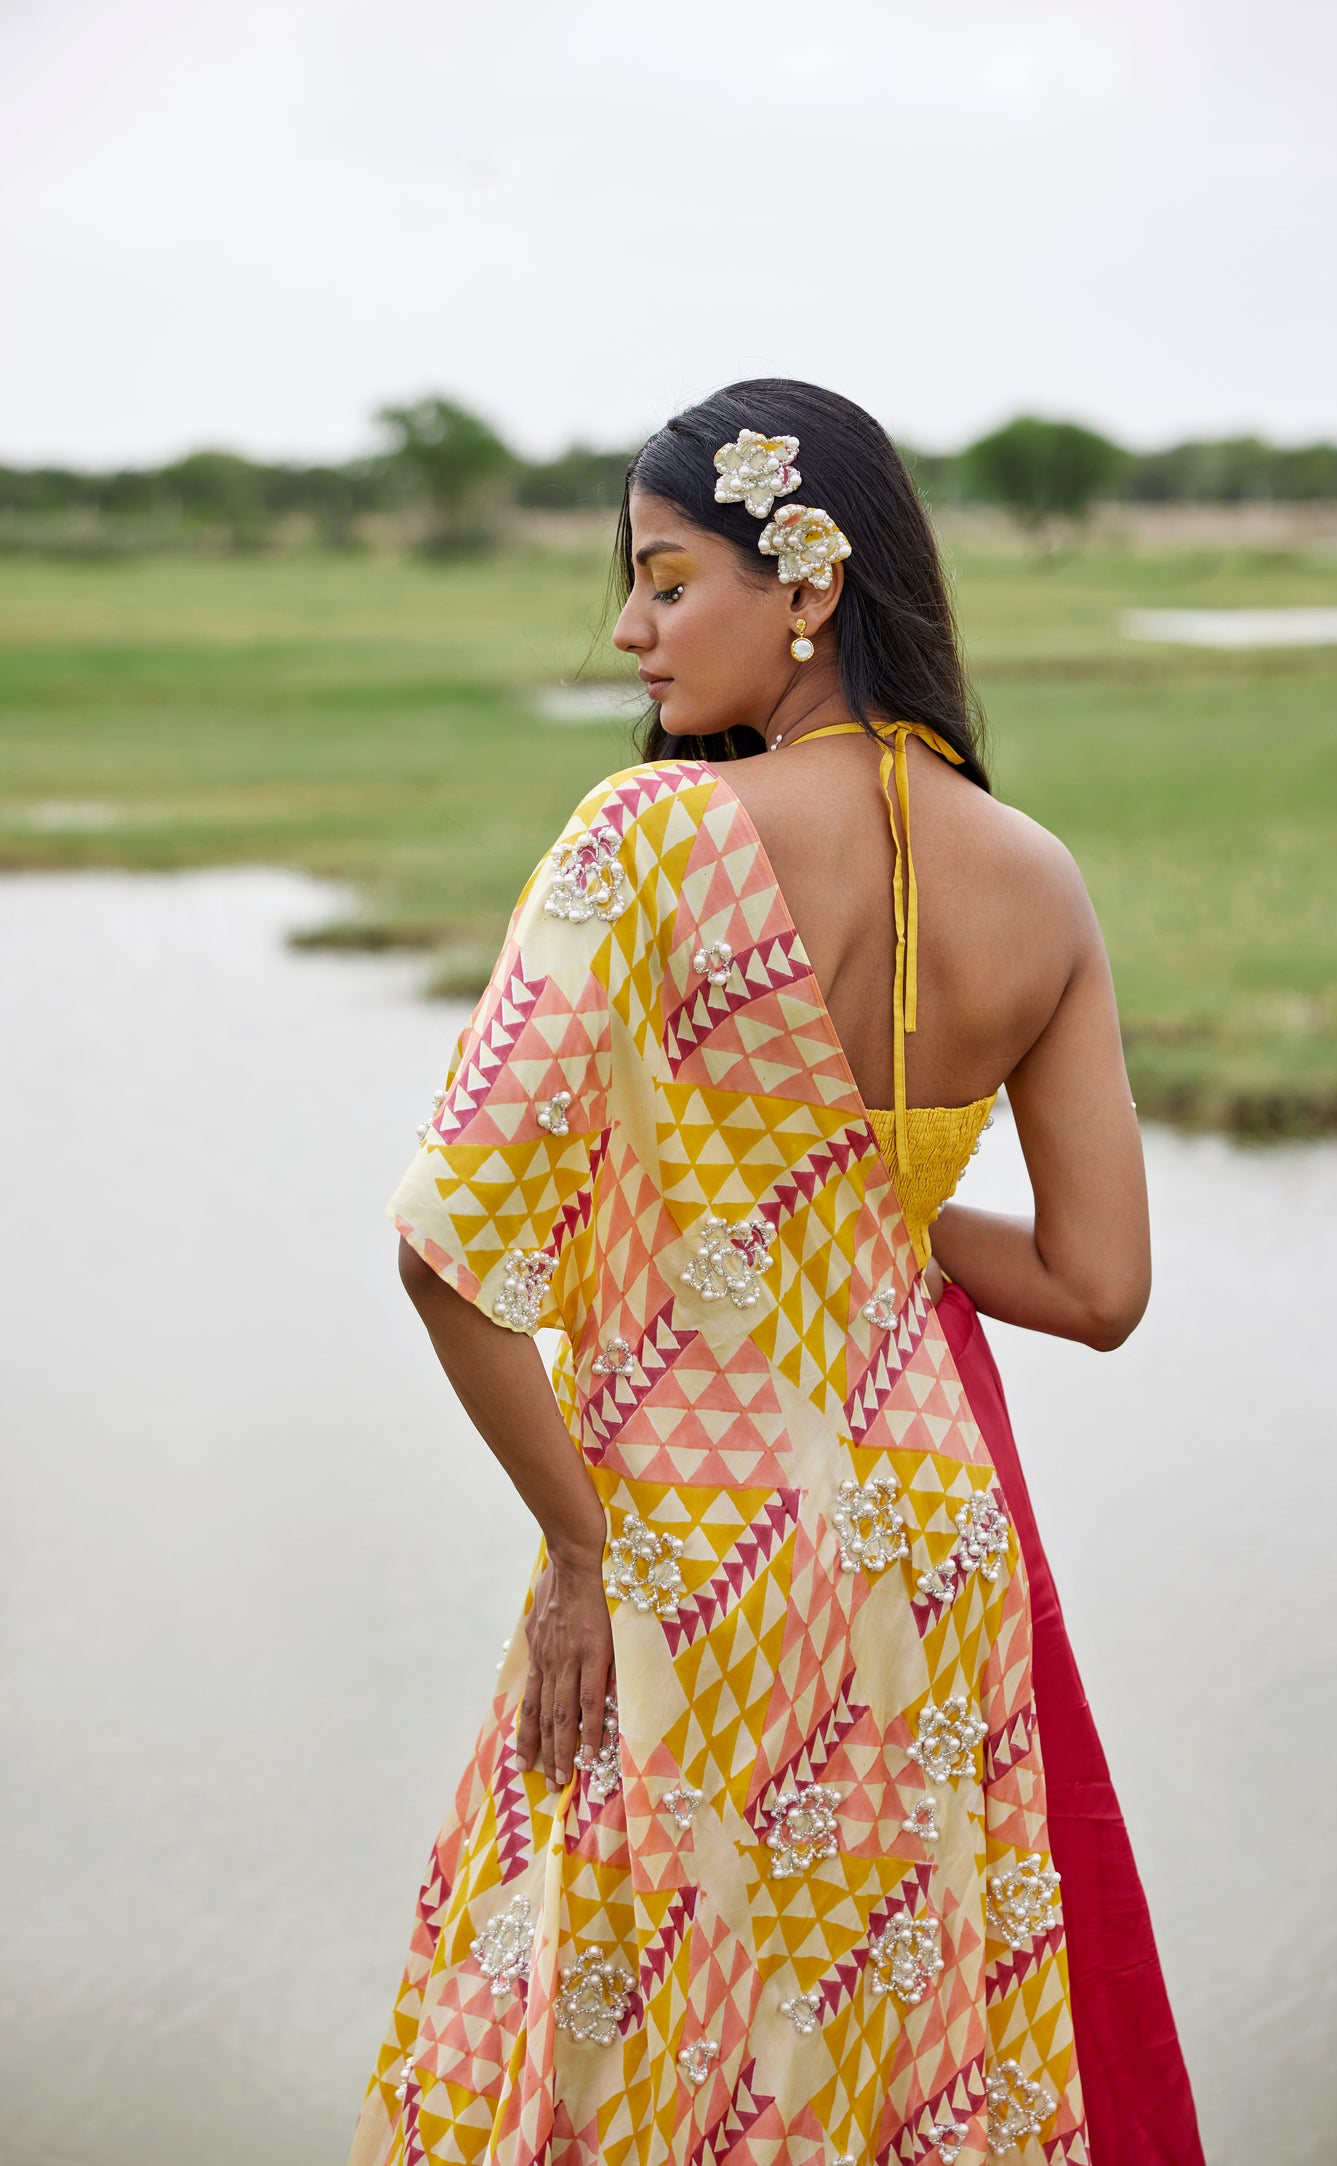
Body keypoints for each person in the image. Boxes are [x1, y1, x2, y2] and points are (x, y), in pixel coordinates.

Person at [347, 380, 1204, 2166]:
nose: (628, 627)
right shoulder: (1036, 876)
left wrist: (584, 1556)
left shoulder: (648, 840)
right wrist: (844, 1202)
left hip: (692, 1541)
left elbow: (448, 1254)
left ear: (803, 584)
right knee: (878, 2048)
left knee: (632, 2031)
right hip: (924, 1549)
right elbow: (1094, 1281)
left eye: (666, 579)